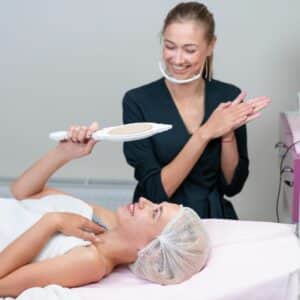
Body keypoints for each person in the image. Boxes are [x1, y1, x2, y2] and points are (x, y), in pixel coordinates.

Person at [0, 123, 210, 297]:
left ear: (151, 250)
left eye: (155, 212)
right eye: (156, 205)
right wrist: (63, 153)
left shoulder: (90, 262)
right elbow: (21, 192)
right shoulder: (103, 221)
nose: (145, 200)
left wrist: (53, 221)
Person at [122, 2, 271, 219]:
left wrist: (227, 133)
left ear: (211, 46)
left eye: (189, 50)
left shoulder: (228, 97)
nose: (178, 59)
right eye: (170, 46)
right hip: (158, 226)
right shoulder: (137, 101)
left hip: (215, 220)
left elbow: (232, 186)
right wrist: (205, 133)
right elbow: (155, 191)